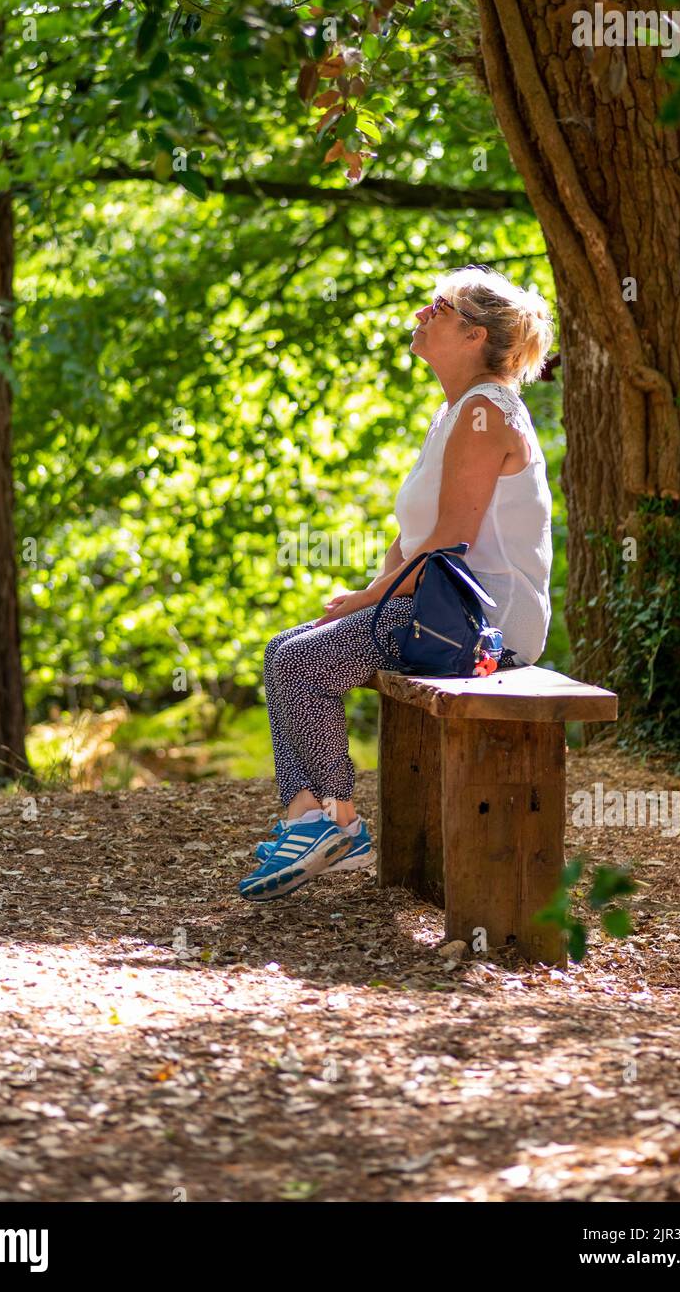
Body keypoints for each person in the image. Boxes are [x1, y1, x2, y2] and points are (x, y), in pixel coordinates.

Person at [239, 264, 555, 903]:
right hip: (440, 605)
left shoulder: (485, 414)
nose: (421, 315)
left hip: (484, 624)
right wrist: (370, 592)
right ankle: (307, 814)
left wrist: (369, 600)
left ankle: (339, 822)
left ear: (472, 335)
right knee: (285, 650)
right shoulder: (455, 413)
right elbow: (413, 538)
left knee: (304, 661)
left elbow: (449, 545)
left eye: (436, 307)